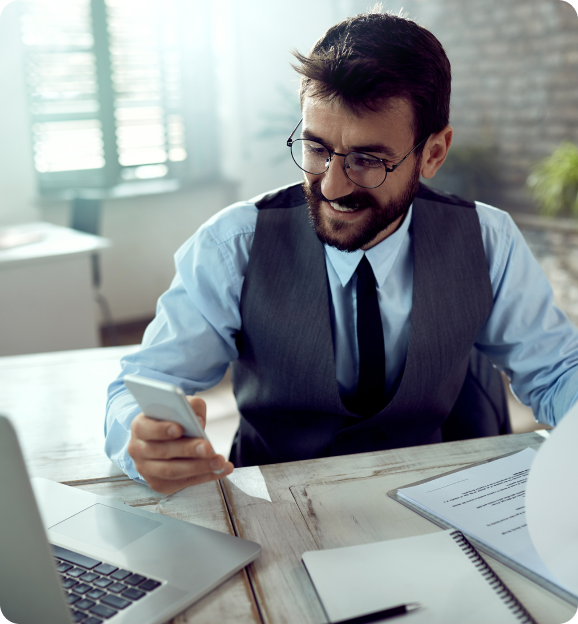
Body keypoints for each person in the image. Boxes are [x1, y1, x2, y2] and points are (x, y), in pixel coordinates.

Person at [105, 11, 578, 495]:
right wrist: (142, 440)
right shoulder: (233, 244)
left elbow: (559, 370)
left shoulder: (488, 239)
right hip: (275, 503)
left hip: (437, 496)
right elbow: (140, 384)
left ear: (433, 154)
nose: (331, 185)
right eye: (316, 149)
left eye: (367, 160)